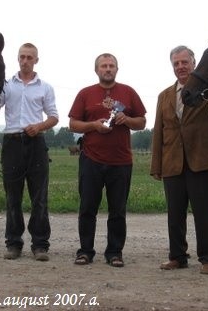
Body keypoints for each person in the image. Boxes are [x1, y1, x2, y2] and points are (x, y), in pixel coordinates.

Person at [150, 45, 208, 274]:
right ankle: (177, 256)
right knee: (175, 214)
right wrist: (156, 165)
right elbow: (159, 132)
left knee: (204, 213)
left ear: (194, 63)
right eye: (176, 63)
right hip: (172, 162)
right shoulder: (164, 96)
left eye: (185, 62)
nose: (180, 67)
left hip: (202, 160)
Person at [68, 53, 146, 267]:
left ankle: (114, 253)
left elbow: (142, 122)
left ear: (117, 70)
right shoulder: (85, 93)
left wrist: (127, 119)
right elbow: (73, 124)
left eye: (111, 66)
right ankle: (85, 251)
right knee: (87, 208)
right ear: (97, 70)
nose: (108, 69)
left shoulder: (128, 92)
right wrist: (93, 125)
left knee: (118, 210)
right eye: (104, 66)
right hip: (91, 159)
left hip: (121, 161)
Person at [0, 42, 59, 261]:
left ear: (36, 60)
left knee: (39, 197)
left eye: (29, 57)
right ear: (17, 59)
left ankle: (40, 244)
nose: (25, 61)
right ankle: (14, 243)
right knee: (12, 197)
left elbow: (54, 116)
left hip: (36, 143)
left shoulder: (45, 87)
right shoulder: (6, 85)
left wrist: (39, 126)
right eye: (22, 57)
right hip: (12, 142)